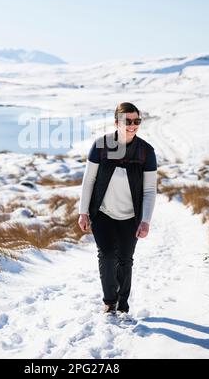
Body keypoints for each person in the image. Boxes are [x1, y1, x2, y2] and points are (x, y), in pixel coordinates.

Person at [78, 102, 157, 319]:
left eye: (136, 121)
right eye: (127, 121)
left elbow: (150, 189)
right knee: (107, 256)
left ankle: (123, 304)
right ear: (116, 122)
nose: (132, 125)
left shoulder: (146, 152)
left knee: (125, 258)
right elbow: (89, 181)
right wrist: (83, 212)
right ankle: (109, 302)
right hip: (102, 213)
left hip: (131, 216)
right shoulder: (100, 146)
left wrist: (146, 220)